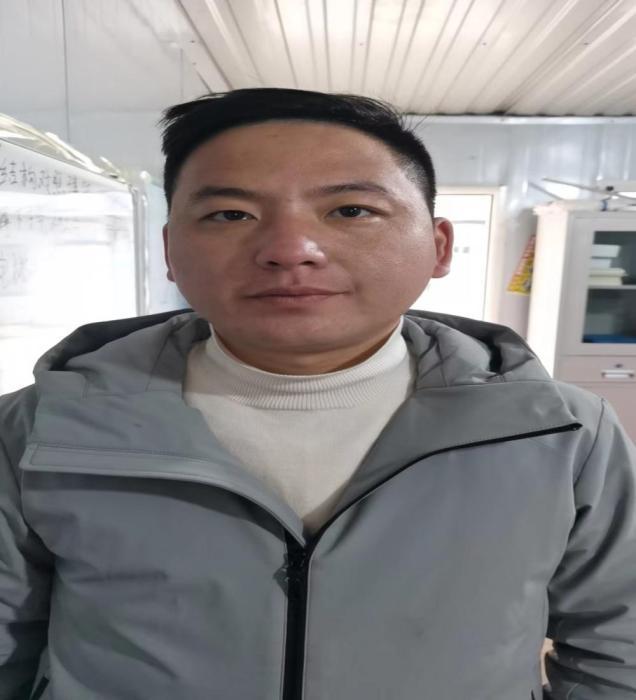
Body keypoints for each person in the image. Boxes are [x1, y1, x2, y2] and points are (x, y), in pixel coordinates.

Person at [0, 88, 634, 700]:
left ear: (439, 246)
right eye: (230, 214)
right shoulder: (43, 430)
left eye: (350, 210)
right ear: (169, 248)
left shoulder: (561, 433)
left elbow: (618, 646)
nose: (290, 250)